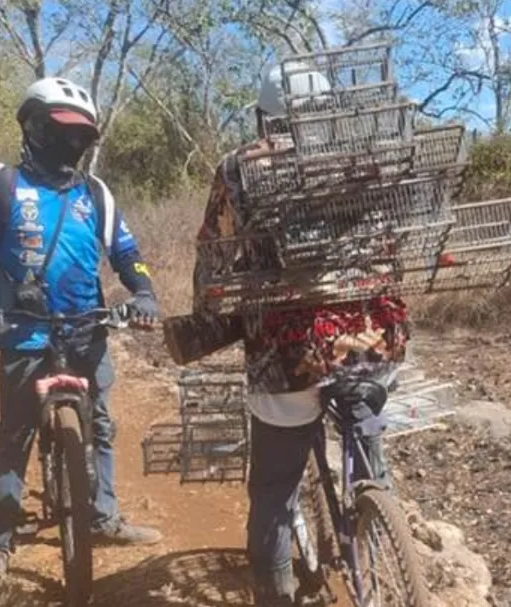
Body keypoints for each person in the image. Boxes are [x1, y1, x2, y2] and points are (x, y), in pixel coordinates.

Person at [0, 77, 163, 588]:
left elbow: (127, 255)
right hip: (22, 330)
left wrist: (143, 294)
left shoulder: (94, 194)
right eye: (63, 133)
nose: (73, 145)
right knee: (15, 434)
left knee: (99, 425)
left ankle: (104, 518)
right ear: (33, 128)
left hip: (86, 328)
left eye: (82, 137)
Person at [184, 64, 408, 606]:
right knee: (363, 418)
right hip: (377, 338)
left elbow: (214, 254)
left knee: (273, 486)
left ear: (266, 116)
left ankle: (275, 588)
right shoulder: (362, 158)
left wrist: (207, 313)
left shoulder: (241, 166)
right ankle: (379, 510)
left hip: (290, 355)